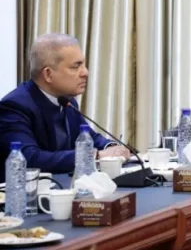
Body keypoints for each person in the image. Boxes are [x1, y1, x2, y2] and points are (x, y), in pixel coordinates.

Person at [0, 33, 130, 181]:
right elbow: (29, 158)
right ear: (48, 74)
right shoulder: (15, 106)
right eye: (76, 66)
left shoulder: (67, 101)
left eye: (83, 64)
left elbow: (89, 137)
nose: (85, 72)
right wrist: (95, 155)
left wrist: (112, 148)